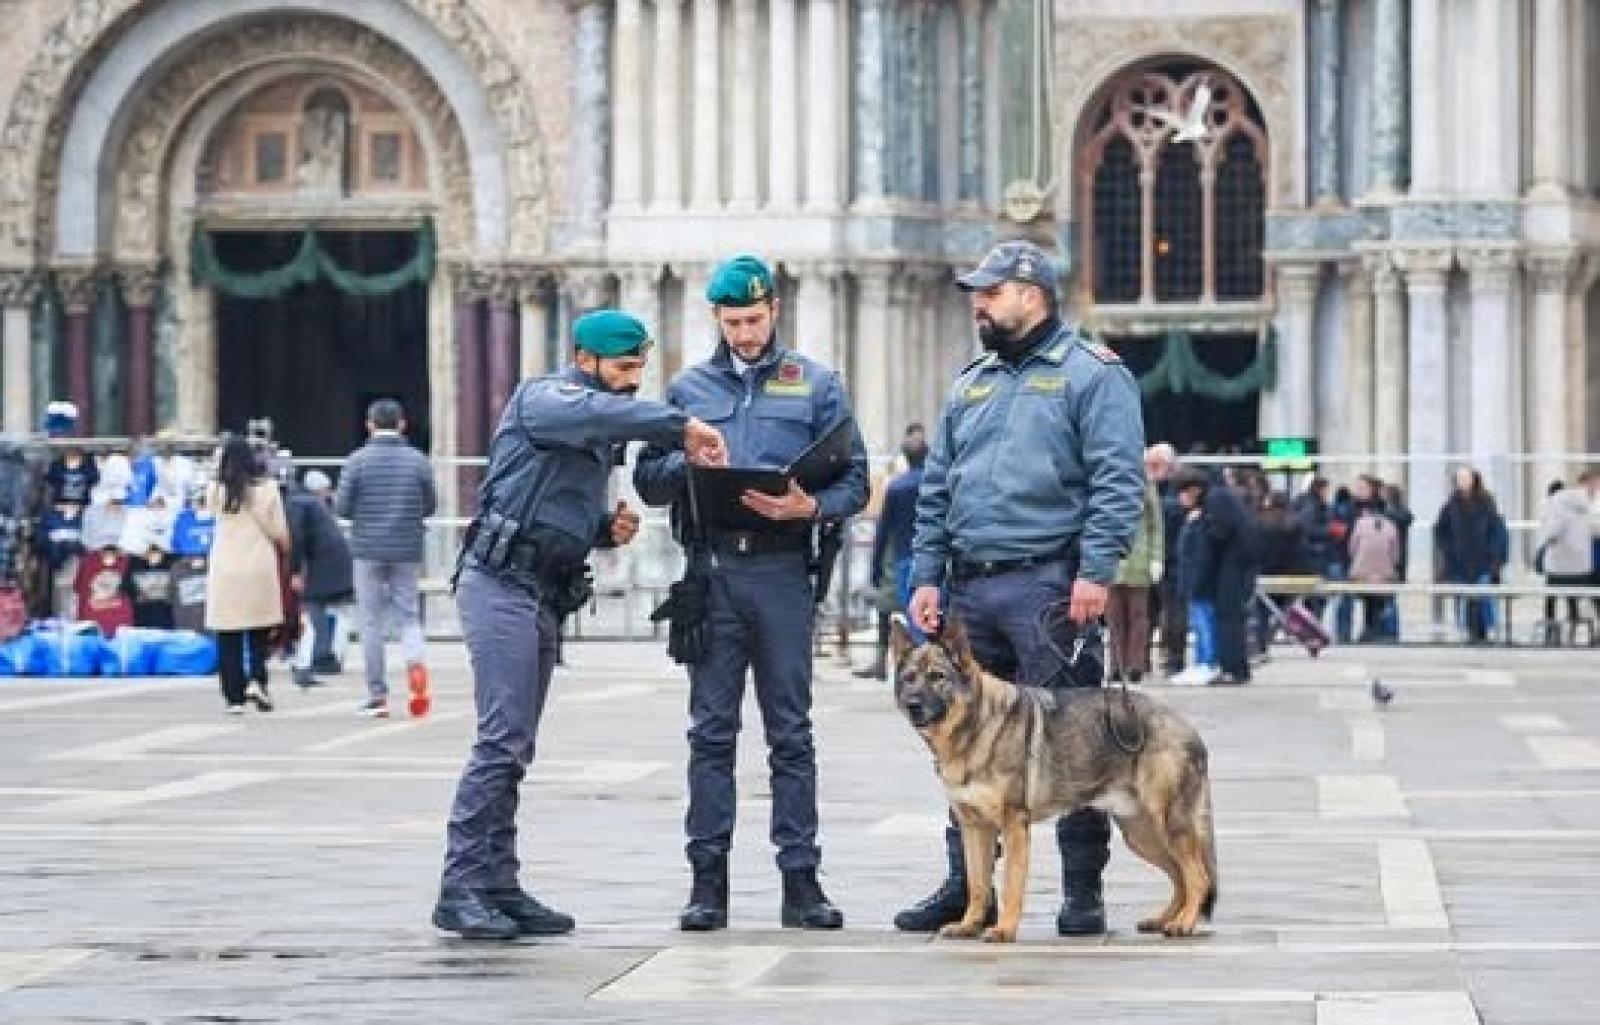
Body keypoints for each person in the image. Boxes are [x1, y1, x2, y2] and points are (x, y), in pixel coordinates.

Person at [433, 309, 727, 940]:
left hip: (540, 590)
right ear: (585, 360)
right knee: (500, 740)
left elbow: (547, 504)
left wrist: (602, 530)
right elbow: (602, 414)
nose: (631, 382)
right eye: (623, 368)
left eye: (639, 369)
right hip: (499, 585)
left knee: (516, 745)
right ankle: (460, 886)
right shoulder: (547, 399)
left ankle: (499, 884)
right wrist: (682, 426)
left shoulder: (594, 420)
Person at [896, 240, 1144, 936]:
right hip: (969, 594)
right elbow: (939, 485)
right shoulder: (971, 380)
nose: (978, 303)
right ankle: (964, 887)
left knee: (1076, 740)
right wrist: (926, 574)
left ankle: (1082, 888)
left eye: (989, 291)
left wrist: (1096, 570)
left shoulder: (1092, 374)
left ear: (1030, 294)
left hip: (1049, 588)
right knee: (963, 741)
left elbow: (1117, 480)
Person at [636, 254, 869, 933]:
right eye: (733, 322)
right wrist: (688, 459)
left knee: (791, 733)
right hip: (712, 573)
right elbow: (648, 478)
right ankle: (707, 883)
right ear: (716, 317)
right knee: (711, 732)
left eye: (755, 319)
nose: (744, 334)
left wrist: (809, 507)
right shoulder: (687, 388)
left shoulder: (817, 385)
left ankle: (802, 881)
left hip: (782, 573)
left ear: (775, 312)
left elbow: (855, 480)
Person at [335, 399, 438, 717]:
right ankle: (415, 668)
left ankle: (377, 695)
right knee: (409, 615)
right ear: (403, 424)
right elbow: (431, 504)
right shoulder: (418, 461)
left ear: (369, 424)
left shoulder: (357, 461)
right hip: (406, 548)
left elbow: (342, 507)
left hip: (367, 549)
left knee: (370, 622)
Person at [205, 435, 290, 714]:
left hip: (225, 564)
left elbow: (208, 512)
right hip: (258, 563)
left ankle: (233, 696)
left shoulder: (215, 490)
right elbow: (278, 530)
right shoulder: (267, 489)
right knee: (259, 628)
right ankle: (257, 679)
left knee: (227, 634)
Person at [1170, 467, 1257, 684]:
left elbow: (1220, 532)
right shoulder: (1219, 497)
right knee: (1226, 619)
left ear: (1193, 490)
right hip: (1232, 567)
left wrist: (1201, 523)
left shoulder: (1215, 500)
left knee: (1228, 620)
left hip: (1232, 569)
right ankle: (1229, 666)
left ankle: (1231, 667)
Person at [857, 425, 930, 677]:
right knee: (930, 617)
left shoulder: (897, 487)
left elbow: (883, 529)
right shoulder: (935, 484)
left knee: (913, 615)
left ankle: (919, 668)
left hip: (903, 557)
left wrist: (875, 567)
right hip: (933, 555)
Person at [285, 470, 354, 687]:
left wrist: (294, 570)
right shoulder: (313, 505)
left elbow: (296, 537)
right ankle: (327, 656)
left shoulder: (298, 504)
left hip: (324, 565)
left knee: (312, 608)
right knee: (331, 610)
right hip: (336, 562)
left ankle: (317, 658)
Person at [1106, 447, 1163, 682]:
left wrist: (1156, 557)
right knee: (1114, 617)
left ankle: (1136, 664)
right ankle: (1117, 665)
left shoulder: (1145, 484)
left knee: (1139, 616)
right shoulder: (1106, 483)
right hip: (1111, 560)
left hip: (1139, 559)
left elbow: (1155, 524)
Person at [1434, 467, 1506, 642]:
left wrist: (1495, 556)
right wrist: (1448, 551)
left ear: (1474, 480)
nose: (1463, 482)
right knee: (1463, 599)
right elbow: (1440, 530)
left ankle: (1486, 630)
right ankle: (1466, 631)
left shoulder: (1487, 504)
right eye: (1459, 478)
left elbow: (1496, 531)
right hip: (1459, 561)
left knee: (1484, 597)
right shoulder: (1450, 506)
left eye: (1466, 478)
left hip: (1484, 560)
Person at [1537, 477, 1594, 634]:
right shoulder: (1582, 506)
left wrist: (1546, 537)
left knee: (1550, 597)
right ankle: (1574, 626)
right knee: (1572, 596)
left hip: (1559, 563)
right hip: (1579, 566)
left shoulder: (1557, 506)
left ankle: (1551, 628)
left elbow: (1553, 532)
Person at [1347, 493, 1401, 642]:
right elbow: (1395, 554)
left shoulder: (1360, 523)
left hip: (1361, 573)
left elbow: (1352, 548)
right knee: (1378, 602)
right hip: (1384, 574)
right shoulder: (1391, 526)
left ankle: (1368, 630)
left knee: (1368, 602)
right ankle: (1375, 630)